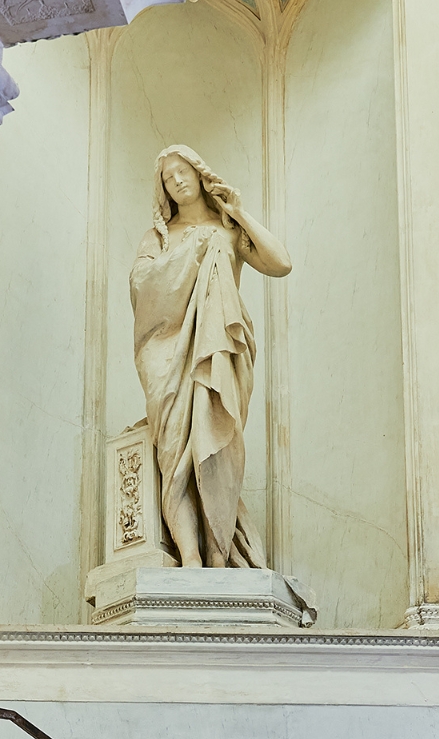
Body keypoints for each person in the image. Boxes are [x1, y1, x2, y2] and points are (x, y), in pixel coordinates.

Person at [130, 144, 292, 569]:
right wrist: (190, 254)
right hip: (166, 357)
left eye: (183, 170)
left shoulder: (226, 229)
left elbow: (280, 264)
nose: (178, 180)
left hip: (220, 349)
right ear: (162, 189)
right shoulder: (158, 238)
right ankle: (190, 560)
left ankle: (219, 562)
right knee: (173, 455)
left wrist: (239, 214)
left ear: (200, 174)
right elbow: (142, 290)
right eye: (168, 177)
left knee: (216, 450)